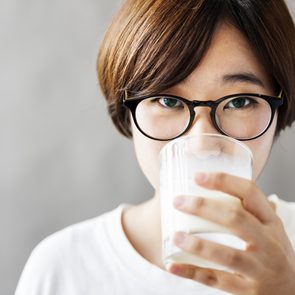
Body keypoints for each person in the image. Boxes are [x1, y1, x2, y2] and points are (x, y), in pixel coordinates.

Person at [15, 0, 295, 294]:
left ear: (280, 106)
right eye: (168, 101)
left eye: (239, 101)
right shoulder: (65, 267)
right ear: (128, 111)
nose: (201, 143)